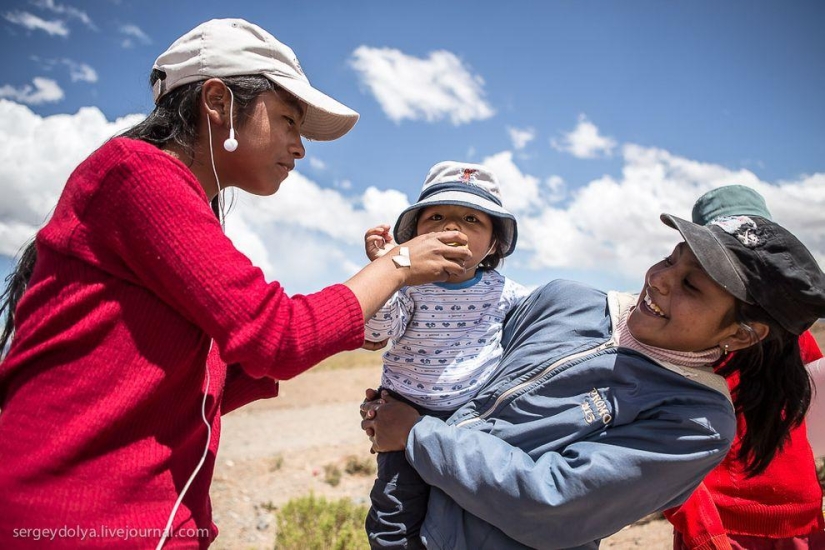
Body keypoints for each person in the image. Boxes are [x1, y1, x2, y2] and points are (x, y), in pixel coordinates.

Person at [0, 18, 472, 549]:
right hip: (80, 521)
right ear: (218, 101)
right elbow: (275, 336)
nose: (300, 147)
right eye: (290, 121)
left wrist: (361, 325)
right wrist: (401, 264)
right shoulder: (136, 174)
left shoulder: (165, 194)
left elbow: (225, 367)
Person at [361, 210, 825, 550]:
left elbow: (552, 505)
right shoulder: (567, 301)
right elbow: (462, 358)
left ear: (742, 335)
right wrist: (399, 405)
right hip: (403, 523)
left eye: (692, 286)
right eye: (671, 259)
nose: (661, 280)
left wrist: (418, 434)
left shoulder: (694, 421)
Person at [362, 161, 530, 548]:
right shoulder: (408, 287)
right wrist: (388, 270)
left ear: (494, 243)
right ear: (414, 235)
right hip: (401, 421)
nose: (451, 228)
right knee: (393, 516)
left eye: (472, 219)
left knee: (461, 516)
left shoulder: (506, 292)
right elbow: (377, 331)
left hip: (474, 424)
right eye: (436, 216)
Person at [664, 185, 825, 550]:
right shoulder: (688, 341)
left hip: (803, 518)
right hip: (718, 526)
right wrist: (704, 531)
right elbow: (662, 451)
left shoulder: (794, 337)